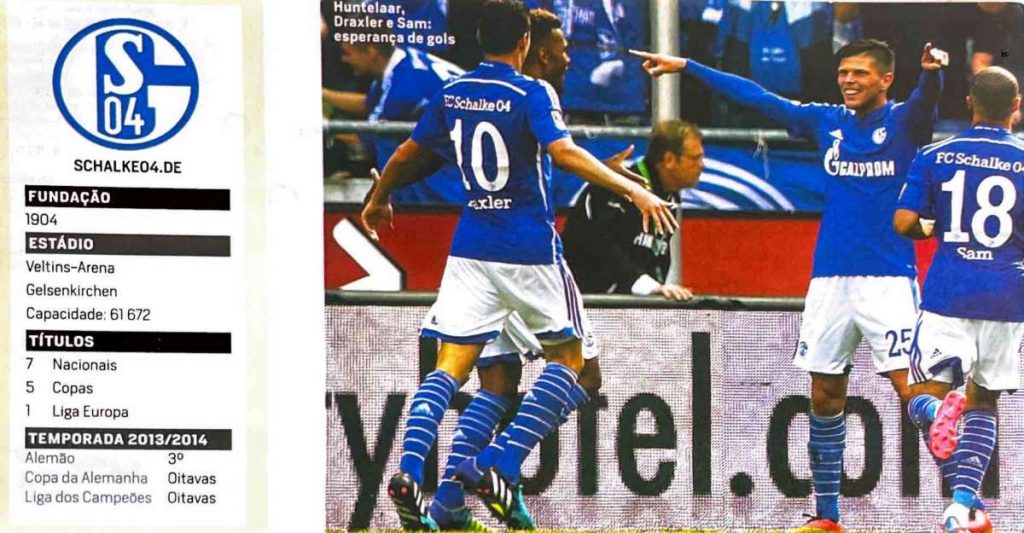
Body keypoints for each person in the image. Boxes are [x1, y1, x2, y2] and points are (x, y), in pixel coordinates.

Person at [360, 2, 676, 532]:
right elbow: (560, 152)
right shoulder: (532, 93)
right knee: (577, 365)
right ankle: (498, 465)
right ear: (527, 43)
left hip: (471, 251)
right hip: (528, 251)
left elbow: (413, 152)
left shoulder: (454, 91)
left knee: (459, 371)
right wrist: (630, 190)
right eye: (560, 49)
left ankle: (419, 479)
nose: (568, 59)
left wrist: (378, 197)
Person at [632, 38, 945, 533]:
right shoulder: (826, 122)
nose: (848, 81)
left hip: (887, 278)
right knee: (824, 393)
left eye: (860, 73)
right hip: (829, 280)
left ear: (886, 79)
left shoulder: (904, 121)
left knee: (913, 390)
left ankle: (964, 502)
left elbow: (927, 102)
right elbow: (758, 98)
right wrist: (688, 66)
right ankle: (827, 516)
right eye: (843, 72)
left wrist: (931, 73)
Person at [894, 66, 1023, 533]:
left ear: (969, 102)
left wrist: (933, 226)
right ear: (1016, 106)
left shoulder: (935, 154)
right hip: (1008, 295)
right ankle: (963, 510)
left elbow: (903, 222)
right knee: (983, 401)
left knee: (919, 397)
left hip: (950, 290)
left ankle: (936, 414)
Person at [563, 119, 704, 300]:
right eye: (695, 158)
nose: (702, 165)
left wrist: (659, 289)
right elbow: (600, 247)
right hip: (583, 300)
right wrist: (647, 285)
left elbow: (656, 256)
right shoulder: (618, 186)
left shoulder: (669, 197)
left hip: (627, 305)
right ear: (669, 159)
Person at [324, 25, 465, 202]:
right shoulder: (401, 61)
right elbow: (369, 104)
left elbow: (363, 137)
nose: (344, 59)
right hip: (464, 136)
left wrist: (321, 127)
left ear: (371, 51)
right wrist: (322, 94)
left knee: (389, 144)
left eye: (348, 53)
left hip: (459, 170)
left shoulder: (404, 89)